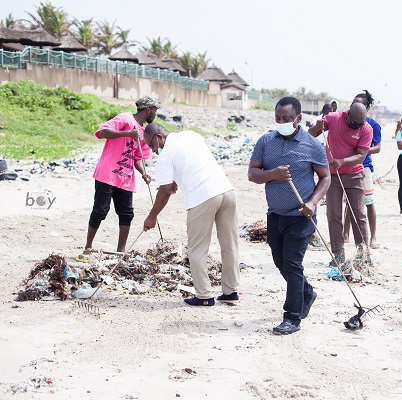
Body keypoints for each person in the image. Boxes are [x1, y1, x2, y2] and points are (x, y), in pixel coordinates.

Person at [248, 97, 330, 335]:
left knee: (292, 264)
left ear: (298, 119)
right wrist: (273, 174)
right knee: (280, 263)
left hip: (301, 215)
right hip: (275, 214)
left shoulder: (312, 145)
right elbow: (253, 174)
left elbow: (326, 178)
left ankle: (292, 317)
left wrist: (313, 203)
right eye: (278, 119)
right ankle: (307, 292)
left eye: (286, 119)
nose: (281, 122)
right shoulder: (265, 141)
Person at [142, 123, 240, 307]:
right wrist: (177, 180)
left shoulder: (165, 156)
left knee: (197, 248)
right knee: (230, 244)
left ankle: (204, 296)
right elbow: (193, 163)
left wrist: (152, 217)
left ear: (159, 138)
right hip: (227, 191)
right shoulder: (191, 135)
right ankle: (230, 292)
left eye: (151, 145)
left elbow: (164, 192)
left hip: (203, 197)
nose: (153, 151)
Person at [79, 96, 156, 261]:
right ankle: (87, 247)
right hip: (107, 174)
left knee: (127, 214)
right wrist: (127, 133)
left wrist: (143, 172)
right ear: (147, 110)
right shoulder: (125, 118)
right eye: (155, 110)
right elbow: (102, 132)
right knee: (100, 211)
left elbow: (137, 157)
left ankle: (121, 252)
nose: (156, 114)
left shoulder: (144, 133)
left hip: (126, 178)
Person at [309, 102, 373, 266]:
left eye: (361, 123)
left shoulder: (366, 129)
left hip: (354, 175)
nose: (357, 126)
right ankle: (338, 254)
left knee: (358, 214)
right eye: (355, 122)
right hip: (332, 175)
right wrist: (317, 126)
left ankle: (362, 253)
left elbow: (361, 156)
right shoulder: (334, 118)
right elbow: (310, 135)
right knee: (334, 214)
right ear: (348, 114)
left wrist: (342, 161)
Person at [343, 90, 381, 248]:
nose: (353, 106)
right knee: (349, 203)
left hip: (364, 166)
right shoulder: (345, 121)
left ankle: (373, 237)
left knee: (368, 201)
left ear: (366, 107)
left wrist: (362, 150)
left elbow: (377, 147)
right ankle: (345, 234)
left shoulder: (372, 125)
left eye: (357, 103)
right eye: (352, 103)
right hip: (348, 166)